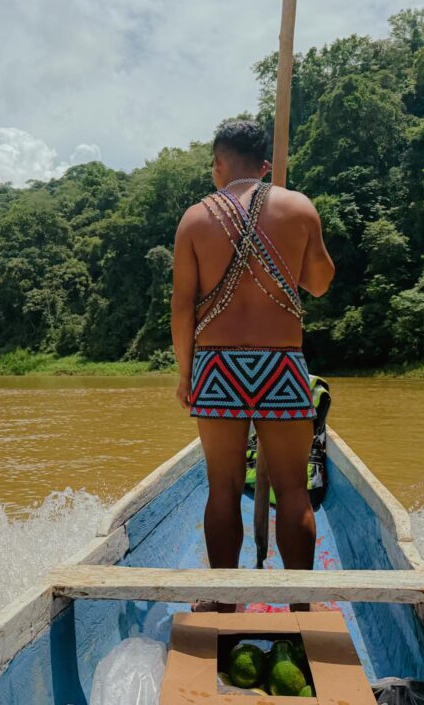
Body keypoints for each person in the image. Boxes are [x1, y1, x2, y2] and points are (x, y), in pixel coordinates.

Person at [170, 119, 335, 611]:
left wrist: (186, 374)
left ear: (220, 163)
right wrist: (294, 240)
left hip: (217, 367)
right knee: (293, 492)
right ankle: (301, 606)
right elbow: (320, 282)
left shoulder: (195, 218)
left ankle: (223, 602)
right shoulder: (298, 206)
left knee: (221, 491)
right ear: (265, 165)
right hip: (281, 365)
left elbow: (182, 307)